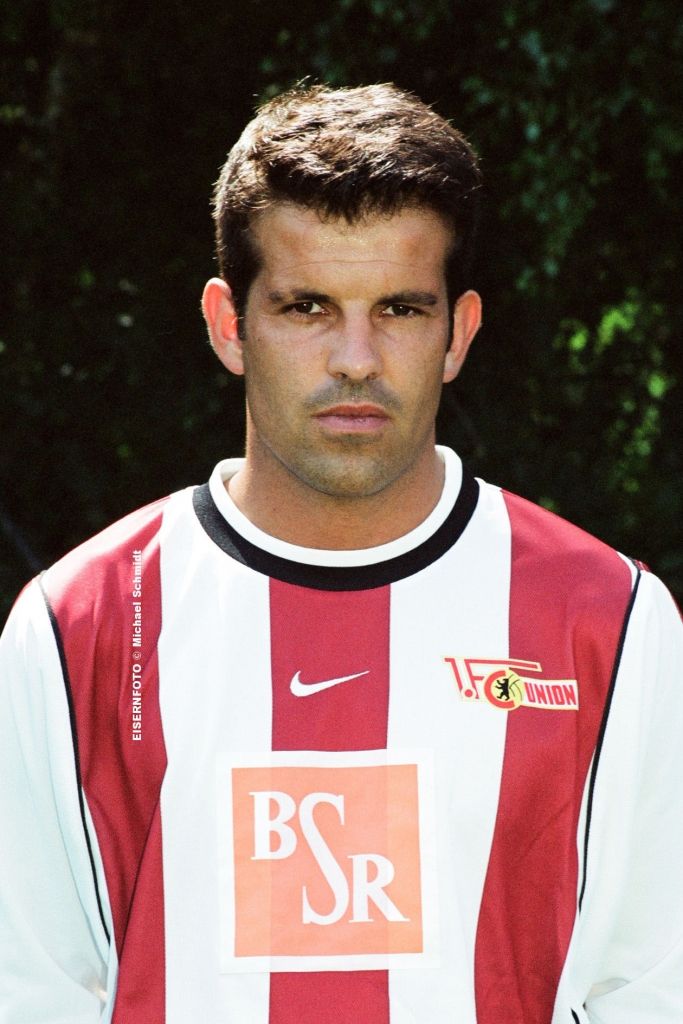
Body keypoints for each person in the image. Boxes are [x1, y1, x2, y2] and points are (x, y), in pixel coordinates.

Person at [0, 83, 681, 1024]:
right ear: (229, 325)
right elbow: (31, 992)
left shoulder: (607, 618)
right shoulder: (78, 624)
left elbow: (650, 990)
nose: (356, 358)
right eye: (307, 306)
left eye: (399, 308)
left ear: (458, 334)